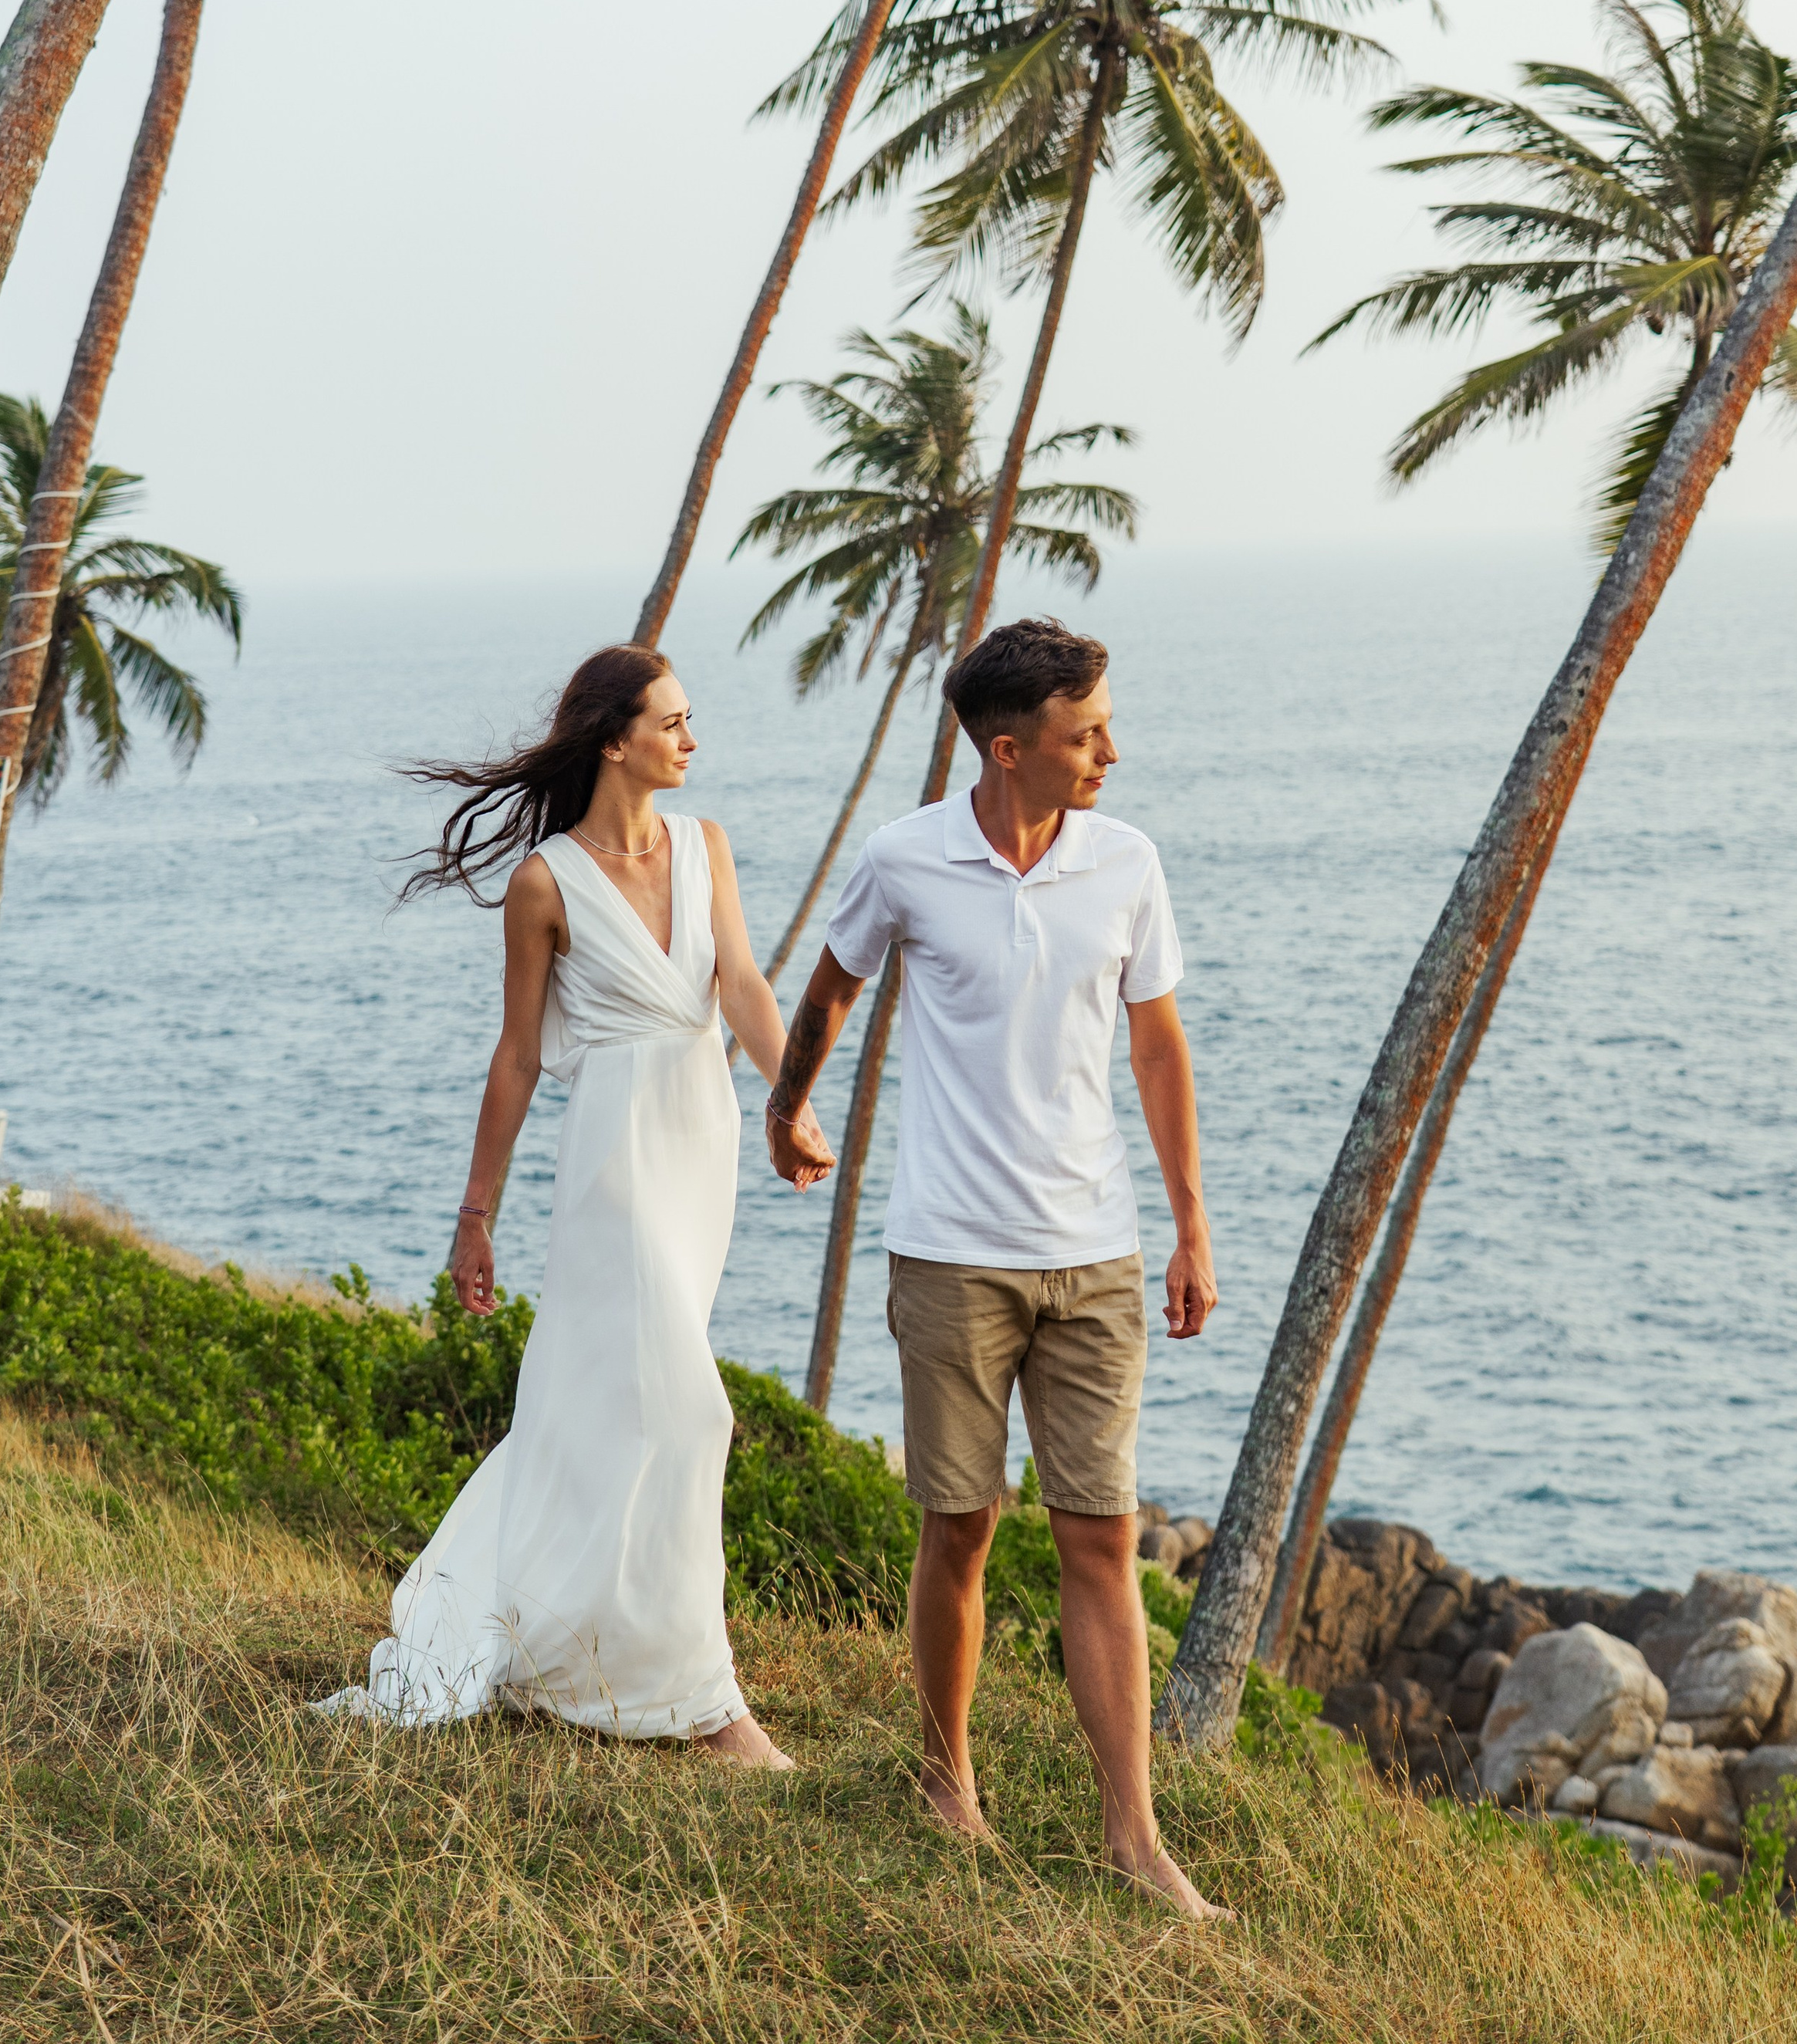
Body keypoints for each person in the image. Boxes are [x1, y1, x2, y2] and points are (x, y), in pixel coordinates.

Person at [765, 617, 1220, 1914]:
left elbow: (1160, 1050)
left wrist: (1191, 1225)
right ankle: (945, 1775)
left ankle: (1134, 1834)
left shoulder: (1128, 863)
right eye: (1087, 737)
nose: (1111, 755)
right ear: (1008, 748)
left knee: (1101, 1536)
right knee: (959, 1526)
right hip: (952, 1253)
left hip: (1097, 1253)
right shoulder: (908, 858)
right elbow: (833, 986)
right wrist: (789, 1101)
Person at [317, 644, 834, 1756]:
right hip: (617, 1157)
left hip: (701, 1146)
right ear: (616, 737)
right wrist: (475, 1214)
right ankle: (705, 1703)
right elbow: (514, 1057)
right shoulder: (544, 883)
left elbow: (739, 981)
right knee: (693, 1408)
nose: (693, 738)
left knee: (616, 1409)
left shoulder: (707, 846)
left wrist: (788, 1103)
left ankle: (573, 1637)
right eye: (675, 720)